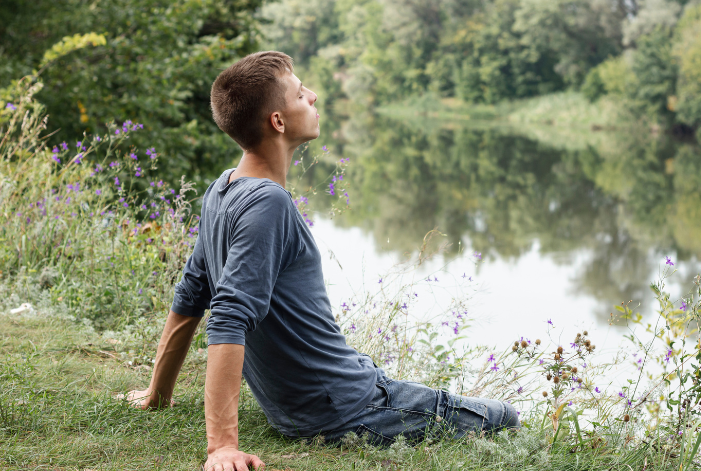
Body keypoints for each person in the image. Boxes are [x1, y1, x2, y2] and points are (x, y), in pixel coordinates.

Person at [120, 51, 519, 471]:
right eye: (299, 93)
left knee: (372, 371)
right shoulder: (267, 202)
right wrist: (222, 447)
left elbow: (191, 294)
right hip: (344, 410)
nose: (313, 96)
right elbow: (226, 316)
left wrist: (158, 394)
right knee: (503, 416)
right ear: (277, 121)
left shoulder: (222, 190)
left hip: (309, 404)